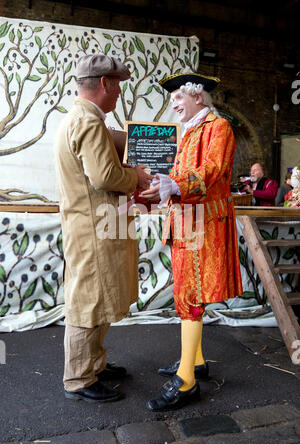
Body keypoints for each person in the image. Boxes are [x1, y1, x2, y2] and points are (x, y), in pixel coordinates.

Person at [140, 73, 243, 411]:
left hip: (204, 225)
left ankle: (186, 381)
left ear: (198, 96)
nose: (173, 104)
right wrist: (162, 183)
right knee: (188, 294)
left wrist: (175, 184)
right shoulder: (190, 131)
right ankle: (195, 360)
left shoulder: (219, 127)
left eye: (178, 98)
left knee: (191, 296)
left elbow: (212, 170)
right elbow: (183, 177)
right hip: (186, 222)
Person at [53, 54, 152, 403]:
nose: (120, 91)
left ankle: (93, 363)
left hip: (92, 226)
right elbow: (105, 176)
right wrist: (138, 177)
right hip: (93, 229)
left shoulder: (80, 118)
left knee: (98, 298)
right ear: (105, 83)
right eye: (118, 84)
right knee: (87, 302)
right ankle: (79, 378)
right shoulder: (89, 121)